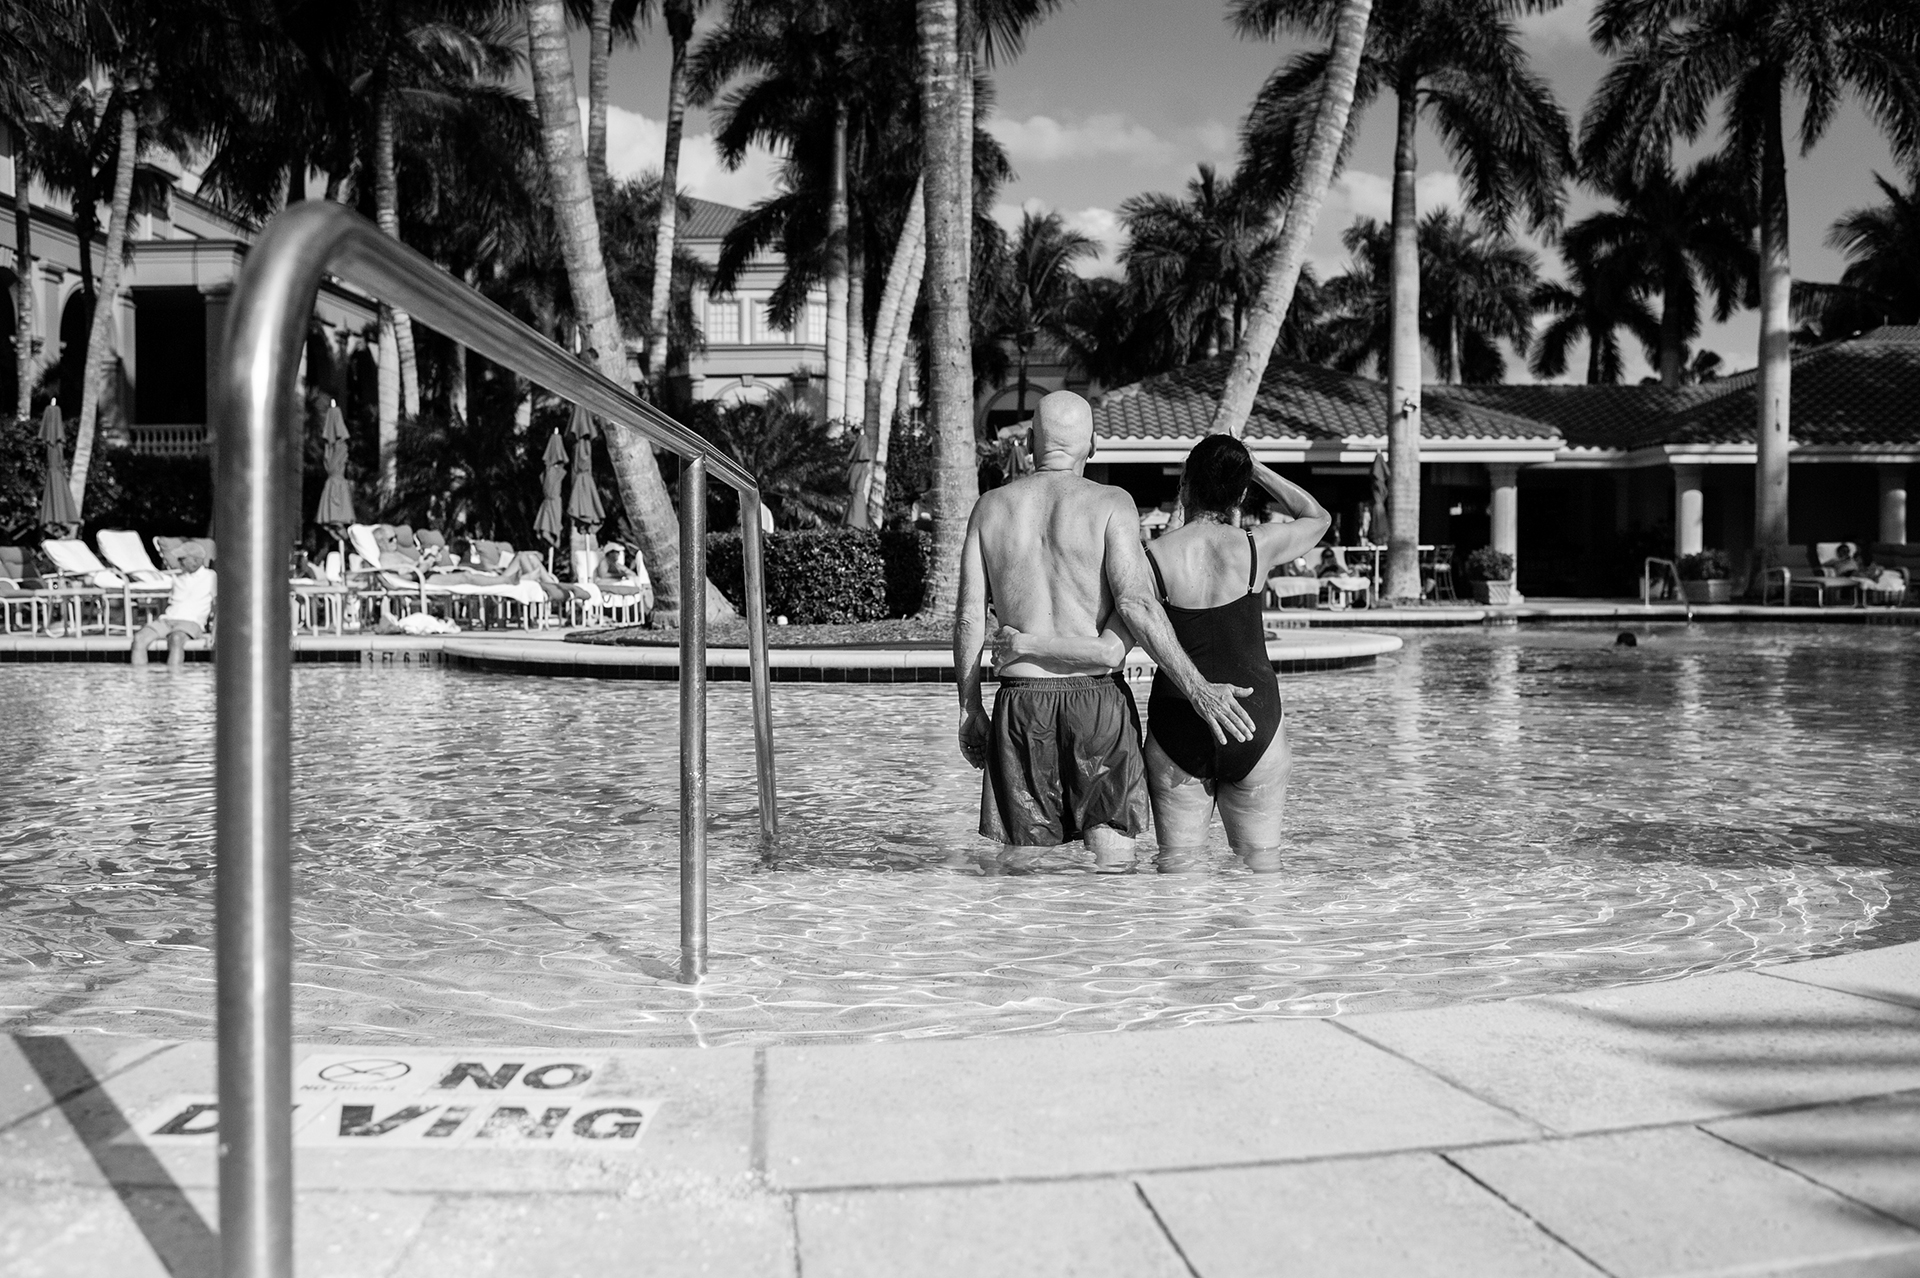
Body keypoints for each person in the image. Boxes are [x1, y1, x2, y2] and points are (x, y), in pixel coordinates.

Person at [996, 436, 1331, 872]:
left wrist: (1028, 644)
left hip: (1179, 724)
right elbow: (1317, 516)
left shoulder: (1149, 560)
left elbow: (1108, 653)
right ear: (1243, 492)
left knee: (1179, 869)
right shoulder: (1257, 547)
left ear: (1184, 487)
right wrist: (1258, 467)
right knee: (1261, 866)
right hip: (1255, 720)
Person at [955, 391, 1257, 874]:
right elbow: (1137, 604)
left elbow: (970, 617)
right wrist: (1198, 689)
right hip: (1096, 703)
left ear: (1031, 442)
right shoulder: (1112, 503)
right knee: (1114, 855)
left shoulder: (989, 508)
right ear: (1092, 445)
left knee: (1025, 867)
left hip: (1020, 702)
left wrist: (971, 707)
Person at [131, 544, 215, 667]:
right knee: (139, 638)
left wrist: (214, 633)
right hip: (167, 620)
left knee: (176, 639)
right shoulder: (176, 578)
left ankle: (173, 681)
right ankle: (139, 681)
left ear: (196, 561)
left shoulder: (211, 577)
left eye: (182, 559)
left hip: (191, 622)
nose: (178, 562)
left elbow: (220, 607)